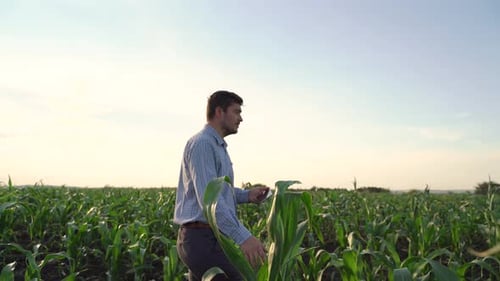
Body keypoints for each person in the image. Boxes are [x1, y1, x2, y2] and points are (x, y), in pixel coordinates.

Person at [174, 90, 270, 281]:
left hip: (211, 238)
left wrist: (246, 195)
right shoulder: (203, 144)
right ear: (219, 112)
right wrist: (244, 238)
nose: (240, 118)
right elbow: (210, 202)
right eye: (236, 112)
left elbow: (218, 191)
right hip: (200, 239)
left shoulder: (218, 146)